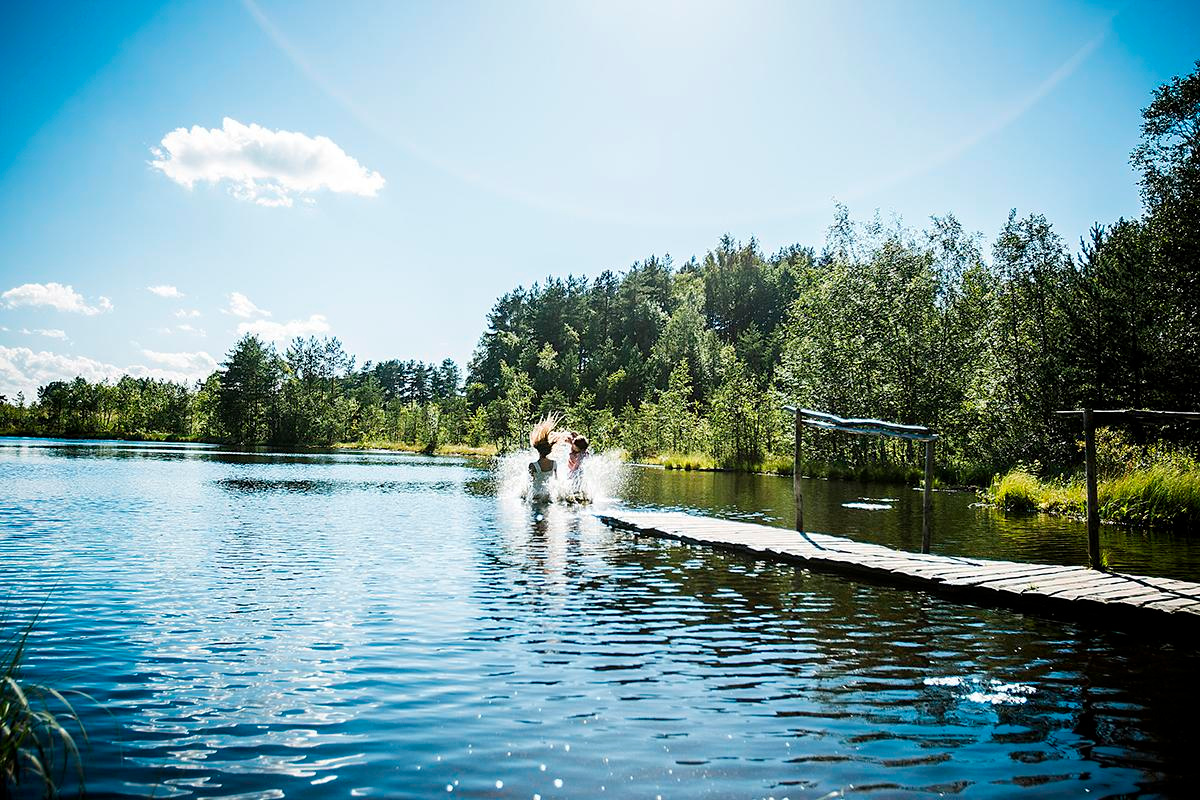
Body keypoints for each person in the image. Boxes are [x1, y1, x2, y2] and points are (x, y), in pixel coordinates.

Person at [527, 413, 559, 501]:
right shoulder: (554, 463)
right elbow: (556, 481)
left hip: (536, 495)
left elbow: (530, 483)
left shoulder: (532, 465)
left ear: (538, 450)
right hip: (548, 495)